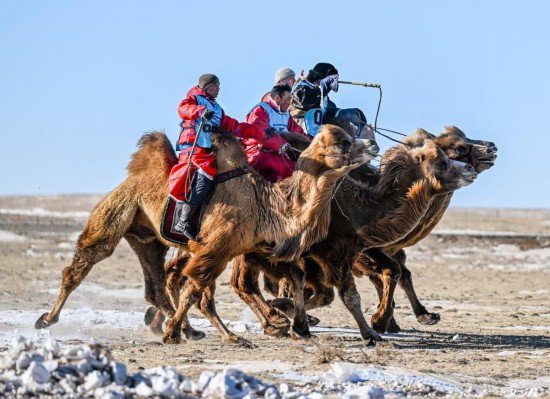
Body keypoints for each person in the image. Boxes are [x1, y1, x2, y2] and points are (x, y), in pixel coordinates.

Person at [169, 73, 266, 240]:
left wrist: (261, 132)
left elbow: (233, 126)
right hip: (193, 148)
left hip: (209, 149)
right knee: (205, 173)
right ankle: (183, 220)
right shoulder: (194, 99)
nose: (219, 89)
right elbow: (183, 108)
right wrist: (199, 111)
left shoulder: (217, 109)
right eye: (216, 86)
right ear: (208, 87)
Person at [244, 84, 310, 182]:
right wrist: (279, 143)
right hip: (259, 152)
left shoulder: (286, 115)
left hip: (281, 153)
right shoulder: (262, 110)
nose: (290, 103)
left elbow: (299, 133)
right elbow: (258, 132)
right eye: (288, 99)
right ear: (277, 98)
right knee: (289, 169)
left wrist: (314, 143)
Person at [290, 62, 373, 139]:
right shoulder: (301, 86)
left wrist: (349, 114)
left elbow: (331, 111)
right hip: (301, 134)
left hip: (319, 137)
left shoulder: (323, 95)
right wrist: (323, 88)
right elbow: (303, 101)